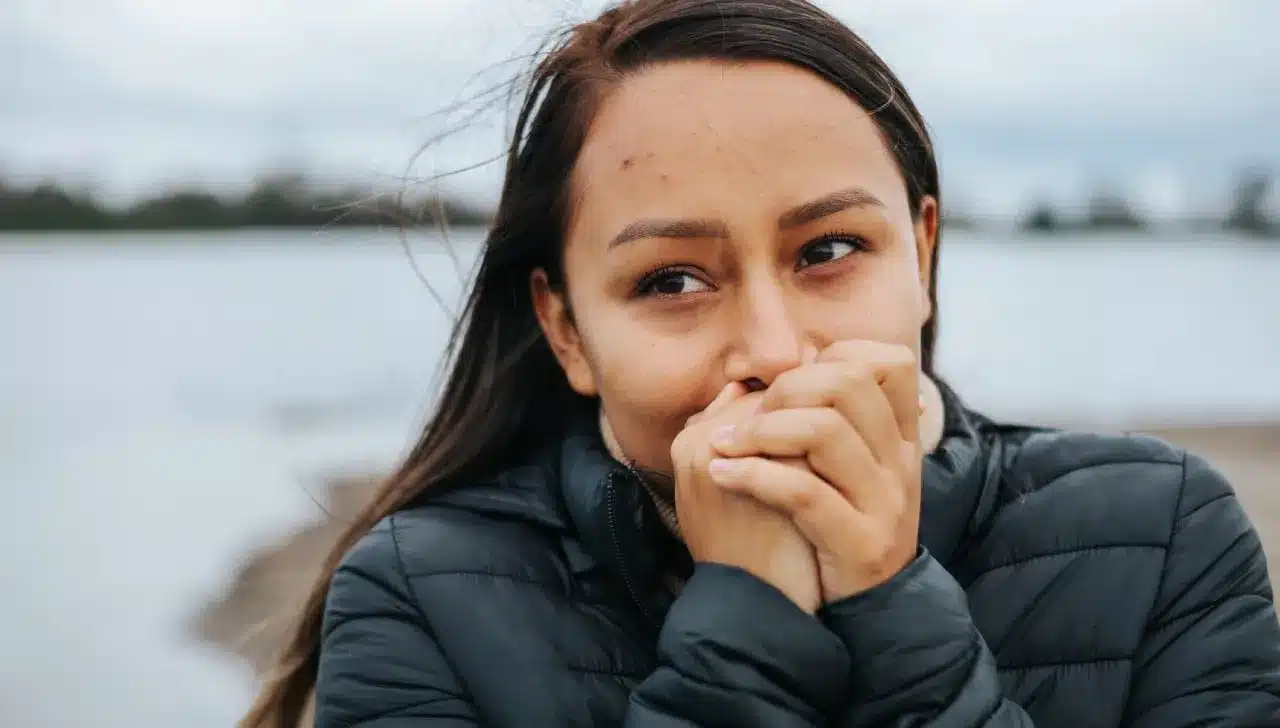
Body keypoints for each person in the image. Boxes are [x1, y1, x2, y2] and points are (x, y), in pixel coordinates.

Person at [241, 0, 1280, 726]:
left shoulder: (1162, 533)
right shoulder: (418, 599)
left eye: (828, 251)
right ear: (564, 330)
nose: (776, 351)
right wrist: (745, 616)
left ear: (918, 252)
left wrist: (888, 596)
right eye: (670, 280)